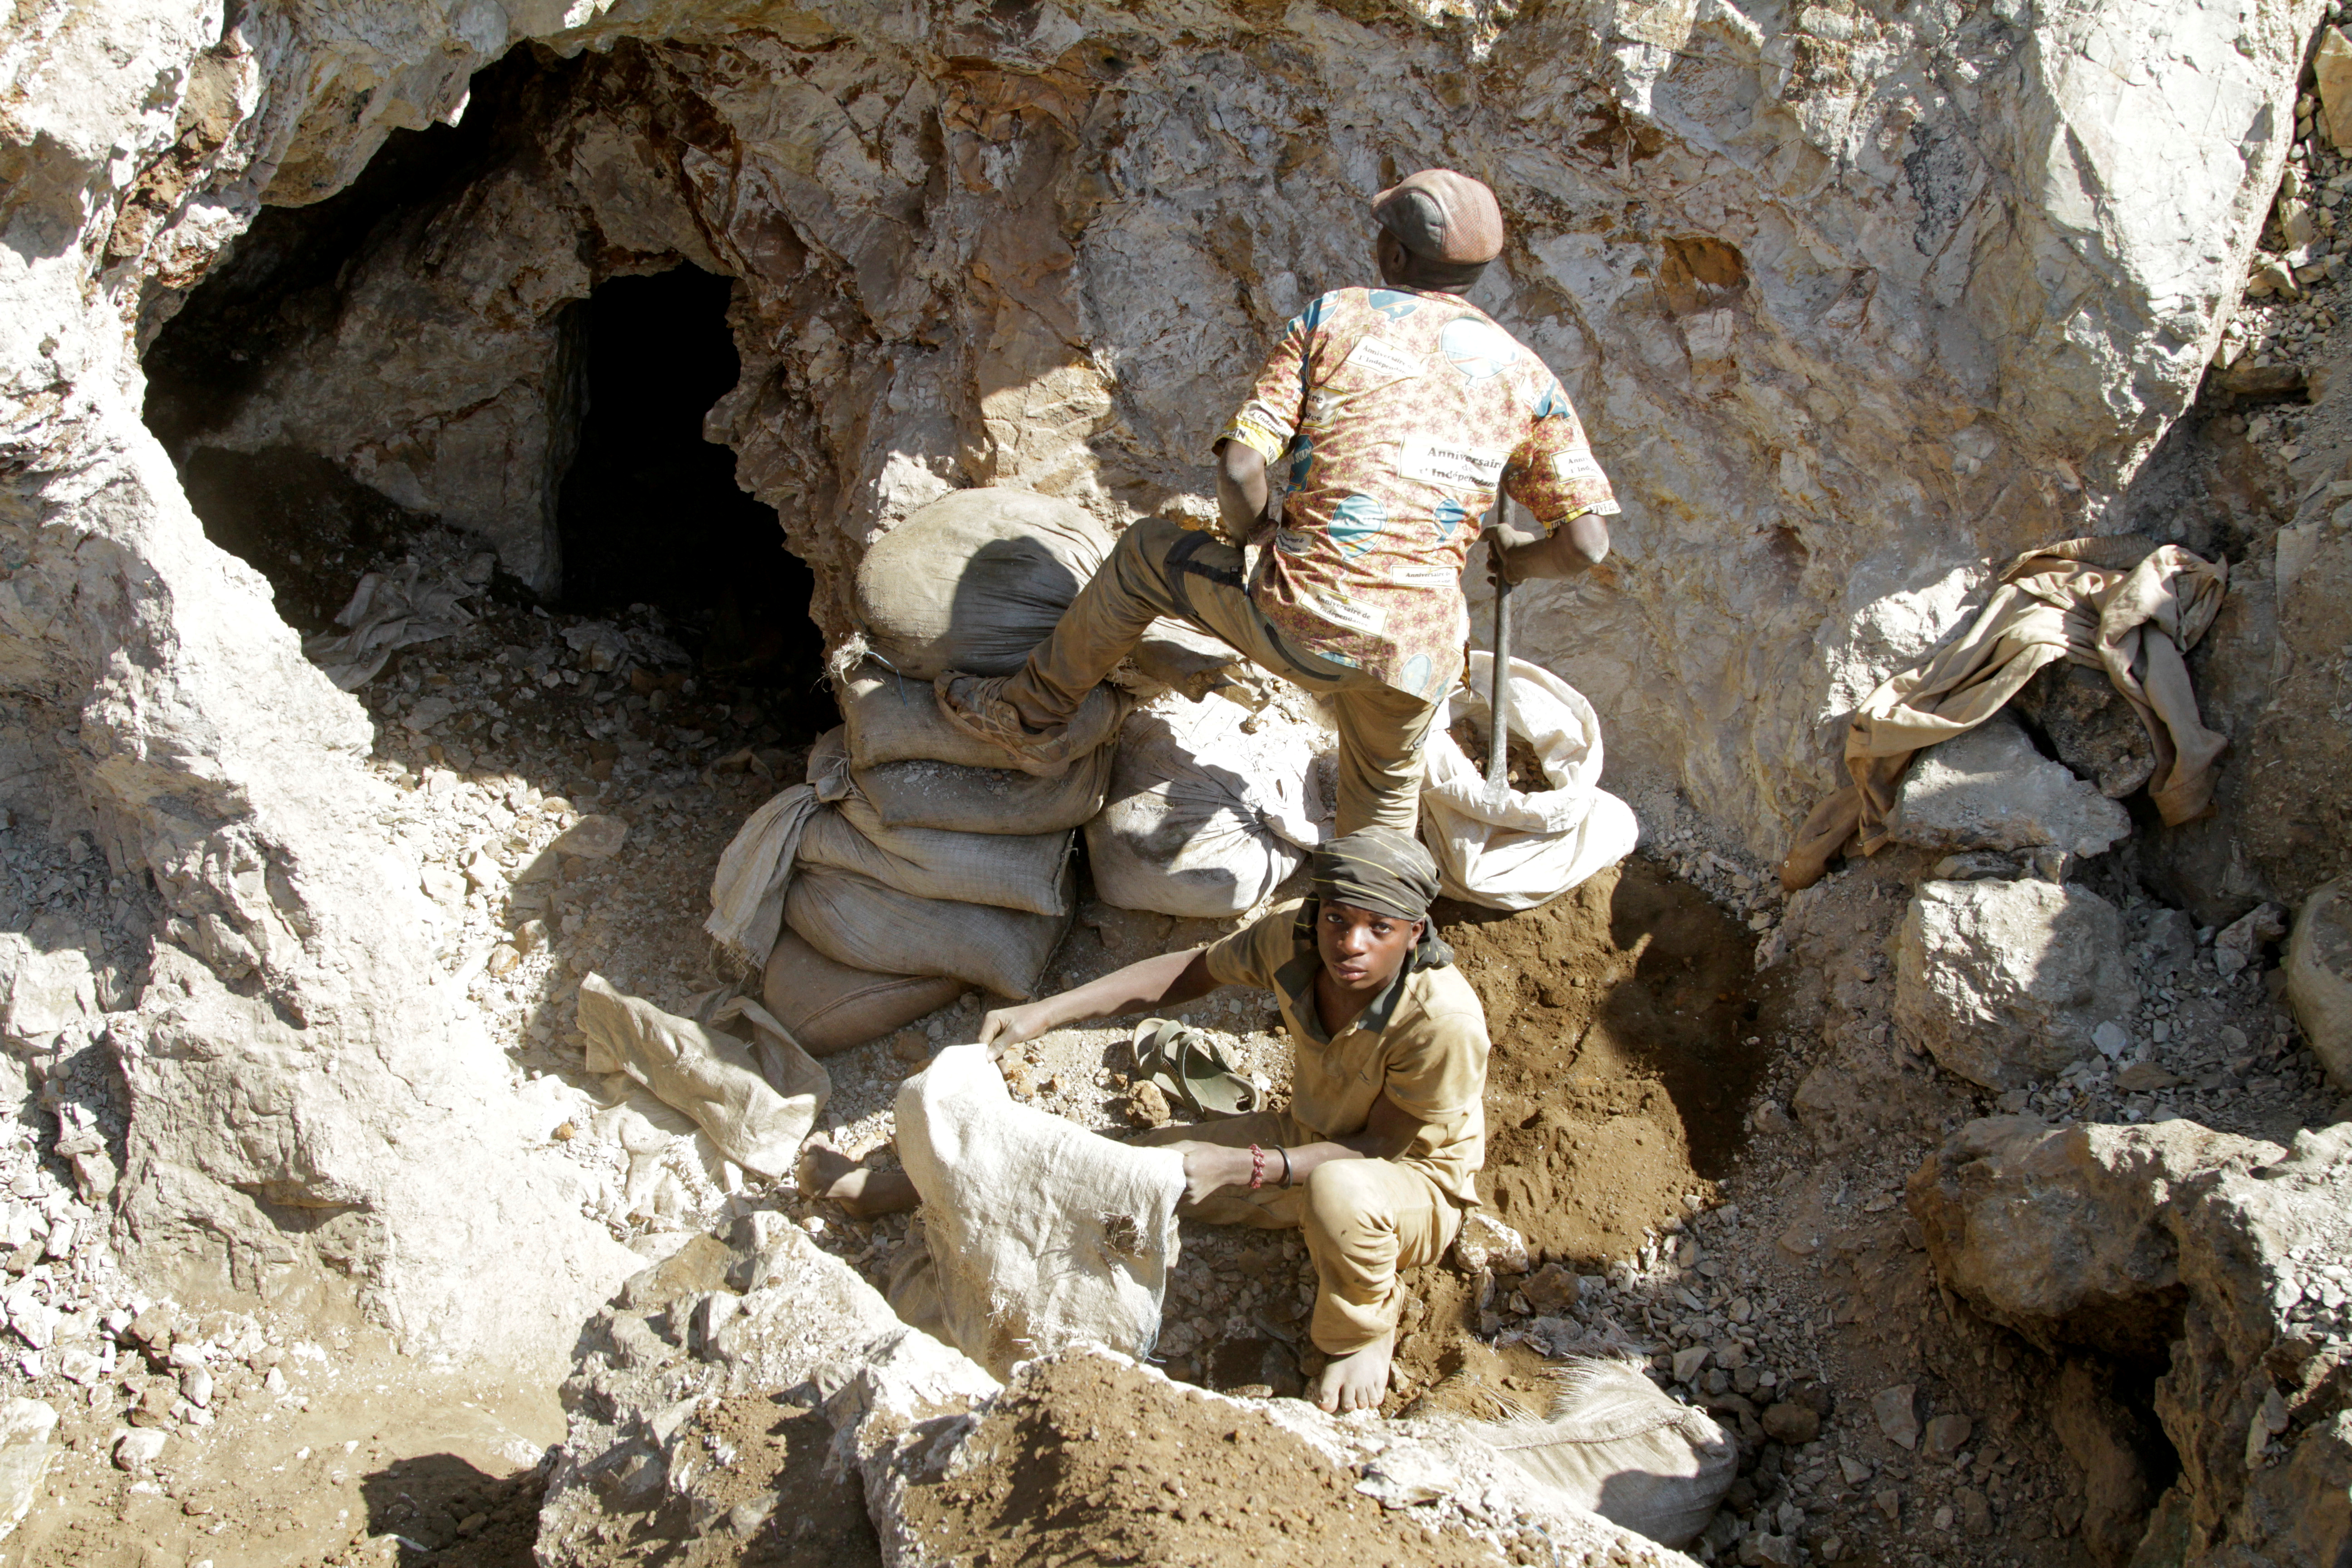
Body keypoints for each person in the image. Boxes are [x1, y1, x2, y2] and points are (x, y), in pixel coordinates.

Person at [933, 167, 1618, 834]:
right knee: (1380, 811)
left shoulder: (1338, 317)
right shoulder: (1529, 378)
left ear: (1394, 253)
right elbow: (1586, 545)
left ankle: (1028, 714)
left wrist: (1257, 532)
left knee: (1145, 554)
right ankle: (1383, 922)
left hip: (1305, 619)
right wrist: (1522, 559)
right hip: (1417, 655)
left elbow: (1238, 470)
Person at [800, 827, 1489, 1416]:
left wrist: (1249, 1167)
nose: (1352, 944)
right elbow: (1192, 972)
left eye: (1380, 929)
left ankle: (1361, 1331)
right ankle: (906, 1187)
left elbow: (1379, 1145)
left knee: (1343, 1196)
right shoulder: (1297, 942)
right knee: (1122, 1168)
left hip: (1405, 1182)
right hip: (1303, 1137)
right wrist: (1047, 1013)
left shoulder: (1440, 1021)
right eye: (1340, 919)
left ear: (1416, 933)